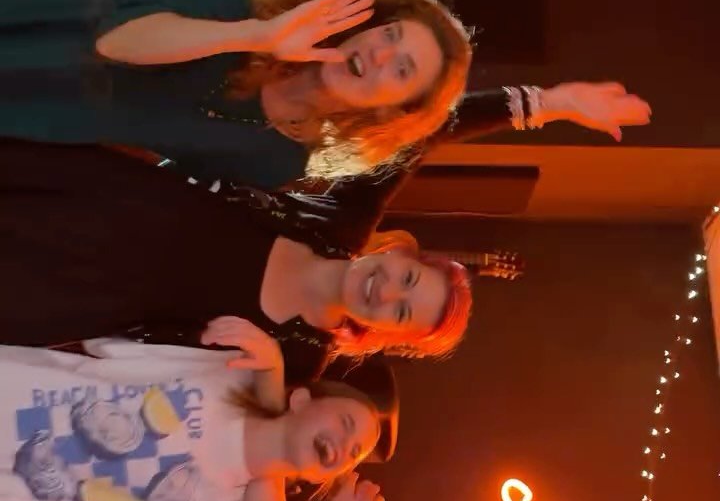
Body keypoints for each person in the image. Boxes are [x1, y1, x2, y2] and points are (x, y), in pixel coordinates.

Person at [0, 0, 470, 186]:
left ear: (391, 112)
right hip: (37, 16)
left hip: (43, 113)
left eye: (401, 69)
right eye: (389, 33)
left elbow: (149, 174)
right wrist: (257, 35)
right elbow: (115, 44)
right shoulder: (248, 2)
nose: (379, 52)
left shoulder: (276, 161)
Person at [0, 138, 472, 383]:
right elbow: (427, 134)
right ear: (397, 253)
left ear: (385, 333)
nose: (386, 291)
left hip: (74, 292)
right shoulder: (345, 221)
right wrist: (518, 105)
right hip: (102, 196)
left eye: (401, 312)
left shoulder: (297, 360)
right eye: (408, 279)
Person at [0, 329, 384, 501]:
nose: (343, 445)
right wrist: (269, 371)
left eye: (353, 454)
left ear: (320, 478)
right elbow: (110, 345)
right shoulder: (234, 368)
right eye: (346, 423)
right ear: (301, 399)